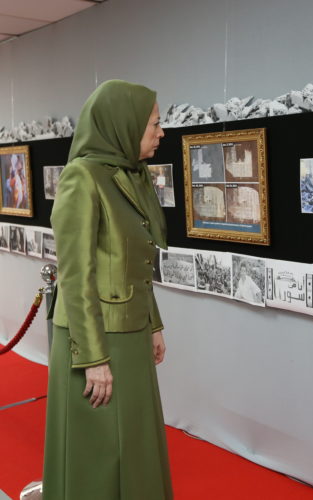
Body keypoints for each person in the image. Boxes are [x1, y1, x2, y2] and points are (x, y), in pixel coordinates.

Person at [43, 80, 173, 500]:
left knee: (134, 441)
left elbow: (137, 262)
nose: (160, 132)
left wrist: (153, 325)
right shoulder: (83, 177)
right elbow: (76, 275)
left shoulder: (132, 176)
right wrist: (94, 359)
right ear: (124, 123)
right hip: (95, 340)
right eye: (154, 123)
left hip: (130, 335)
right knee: (99, 450)